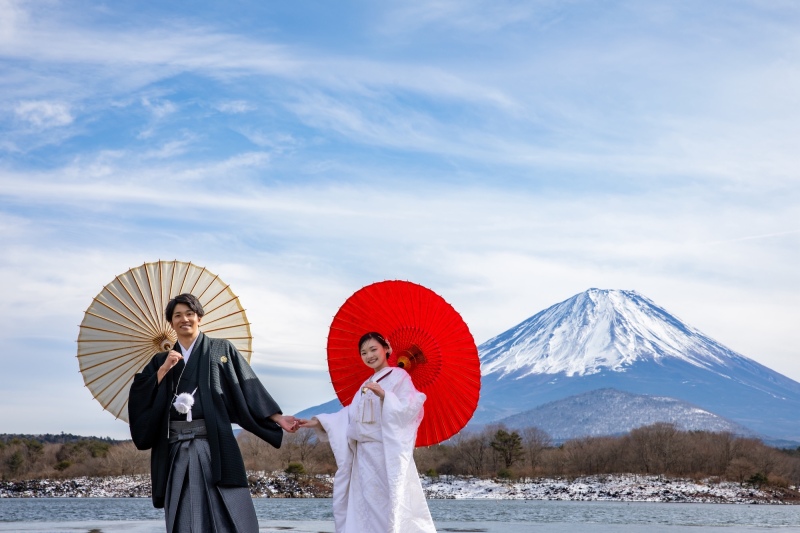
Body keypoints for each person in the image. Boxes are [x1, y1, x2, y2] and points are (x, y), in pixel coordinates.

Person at [128, 293, 297, 533]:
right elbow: (140, 396)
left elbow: (246, 387)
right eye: (177, 316)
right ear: (171, 322)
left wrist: (277, 417)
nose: (184, 319)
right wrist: (163, 371)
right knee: (182, 510)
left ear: (199, 317)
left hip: (213, 442)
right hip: (176, 448)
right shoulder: (160, 360)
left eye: (189, 314)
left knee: (227, 507)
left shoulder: (221, 349)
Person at [298, 332, 436, 533]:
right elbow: (348, 416)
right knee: (365, 508)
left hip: (385, 454)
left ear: (386, 349)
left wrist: (385, 396)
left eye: (373, 349)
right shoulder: (366, 384)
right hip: (363, 457)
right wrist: (316, 422)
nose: (369, 355)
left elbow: (409, 408)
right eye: (364, 352)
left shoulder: (399, 377)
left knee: (386, 506)